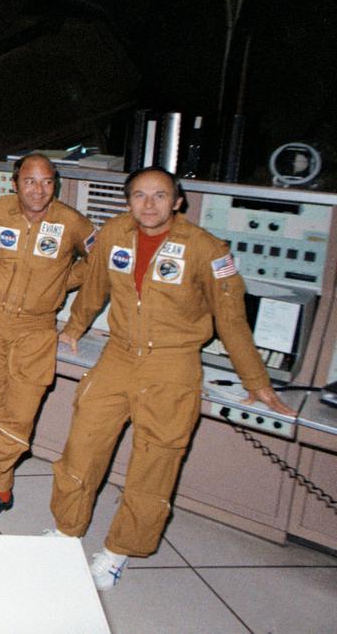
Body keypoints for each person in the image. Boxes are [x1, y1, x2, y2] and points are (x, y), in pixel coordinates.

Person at [54, 167, 294, 589]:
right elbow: (94, 287)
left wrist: (256, 381)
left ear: (177, 201)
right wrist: (74, 326)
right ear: (128, 201)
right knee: (82, 448)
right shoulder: (112, 235)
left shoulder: (206, 249)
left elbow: (232, 320)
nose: (149, 204)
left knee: (155, 463)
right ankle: (66, 531)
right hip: (118, 356)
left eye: (160, 196)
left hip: (174, 363)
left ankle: (117, 552)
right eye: (140, 195)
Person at [0, 154, 94, 526]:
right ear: (15, 183)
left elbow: (102, 262)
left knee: (18, 420)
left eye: (46, 182)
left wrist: (64, 282)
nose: (38, 190)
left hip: (37, 328)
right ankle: (2, 491)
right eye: (30, 181)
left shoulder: (72, 222)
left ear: (55, 184)